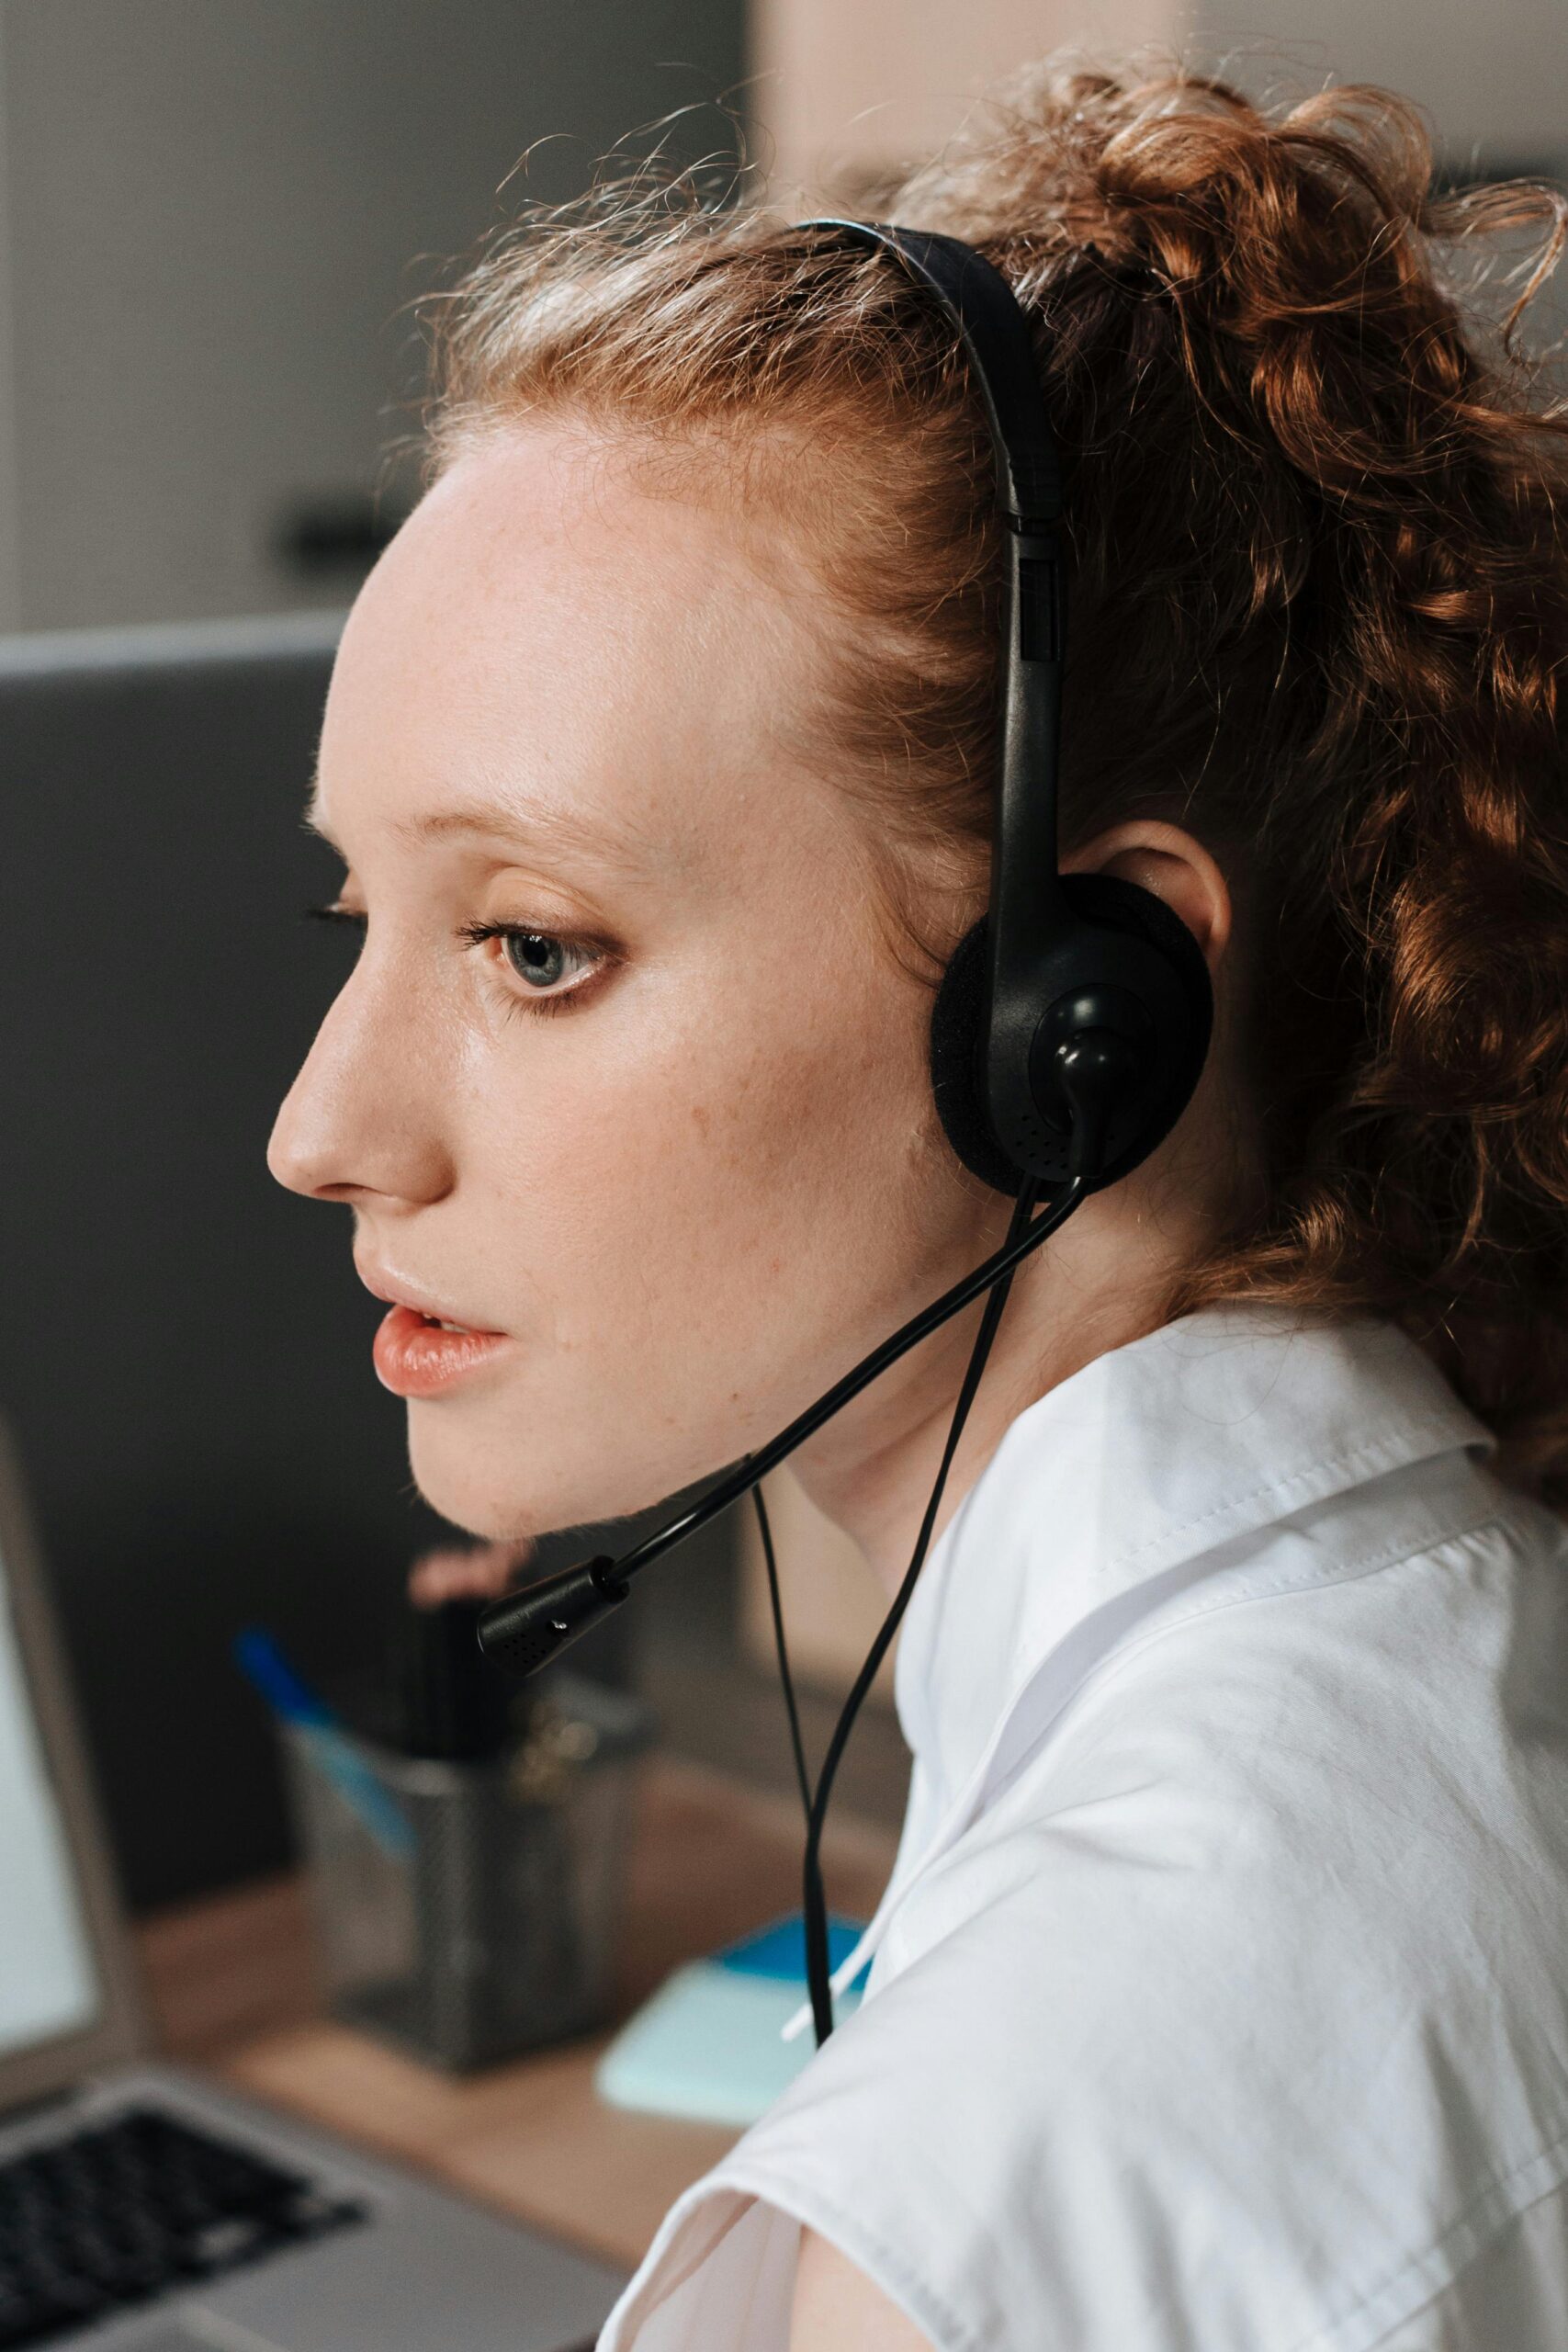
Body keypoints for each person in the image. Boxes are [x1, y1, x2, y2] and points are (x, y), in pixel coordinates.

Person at [266, 55, 1568, 2352]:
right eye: (347, 914)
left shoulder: (994, 2195)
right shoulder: (1451, 1633)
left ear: (1085, 1009)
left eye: (534, 945)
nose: (322, 1127)